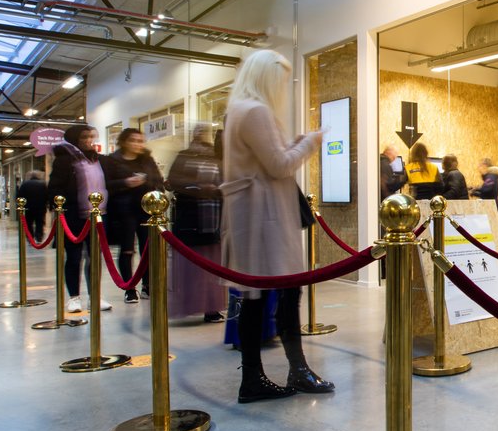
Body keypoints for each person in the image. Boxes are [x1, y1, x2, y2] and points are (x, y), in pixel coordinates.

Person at [221, 49, 330, 403]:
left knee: (262, 297)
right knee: (281, 293)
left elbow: (269, 159)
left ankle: (265, 375)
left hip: (257, 213)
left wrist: (296, 143)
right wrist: (310, 145)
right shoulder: (255, 111)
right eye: (280, 79)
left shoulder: (239, 109)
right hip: (264, 216)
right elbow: (279, 165)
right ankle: (286, 372)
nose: (282, 87)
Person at [47, 124, 110, 314]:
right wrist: (60, 208)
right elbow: (55, 187)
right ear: (75, 139)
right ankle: (74, 297)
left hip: (98, 216)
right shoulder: (65, 161)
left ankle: (95, 296)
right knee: (74, 257)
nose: (89, 140)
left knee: (95, 258)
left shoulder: (98, 160)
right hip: (74, 216)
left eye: (91, 136)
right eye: (85, 137)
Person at [167, 125, 225, 322]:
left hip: (214, 219)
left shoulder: (217, 157)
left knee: (212, 265)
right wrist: (199, 188)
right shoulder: (184, 156)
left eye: (205, 131)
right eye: (199, 132)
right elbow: (173, 181)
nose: (202, 135)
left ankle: (212, 308)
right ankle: (189, 305)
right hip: (190, 219)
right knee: (191, 266)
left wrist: (217, 189)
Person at [101, 127, 164, 303]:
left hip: (146, 209)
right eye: (133, 140)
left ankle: (147, 285)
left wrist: (153, 187)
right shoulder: (112, 161)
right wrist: (126, 182)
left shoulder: (147, 159)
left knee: (147, 249)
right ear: (124, 142)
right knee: (127, 249)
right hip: (123, 210)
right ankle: (129, 287)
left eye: (140, 140)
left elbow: (157, 180)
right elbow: (106, 183)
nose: (137, 144)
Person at [16, 170, 48, 242]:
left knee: (28, 222)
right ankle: (39, 235)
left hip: (28, 207)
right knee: (39, 222)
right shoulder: (42, 184)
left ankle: (30, 236)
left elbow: (19, 196)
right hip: (40, 207)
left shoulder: (25, 184)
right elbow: (46, 196)